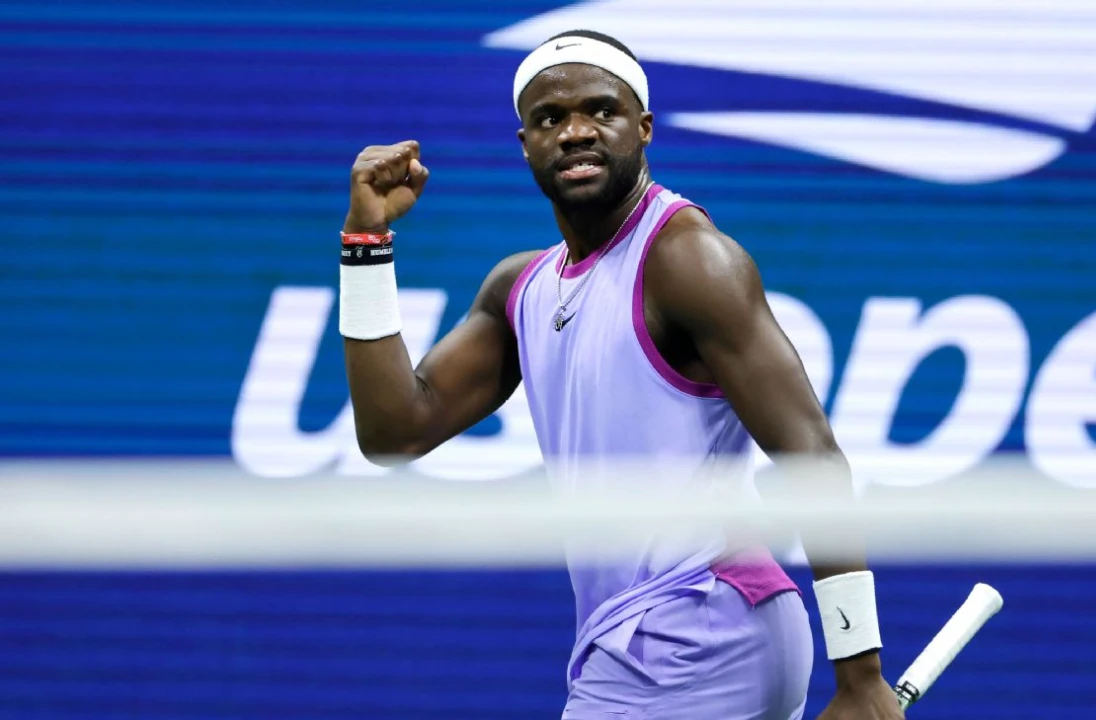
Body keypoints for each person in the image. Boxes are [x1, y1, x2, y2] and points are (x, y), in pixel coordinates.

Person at [338, 29, 904, 720]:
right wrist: (366, 245)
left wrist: (861, 673)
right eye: (551, 119)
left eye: (599, 112)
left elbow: (810, 453)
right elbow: (394, 430)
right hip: (643, 633)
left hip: (699, 623)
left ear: (642, 129)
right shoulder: (521, 287)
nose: (575, 132)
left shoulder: (689, 260)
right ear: (526, 145)